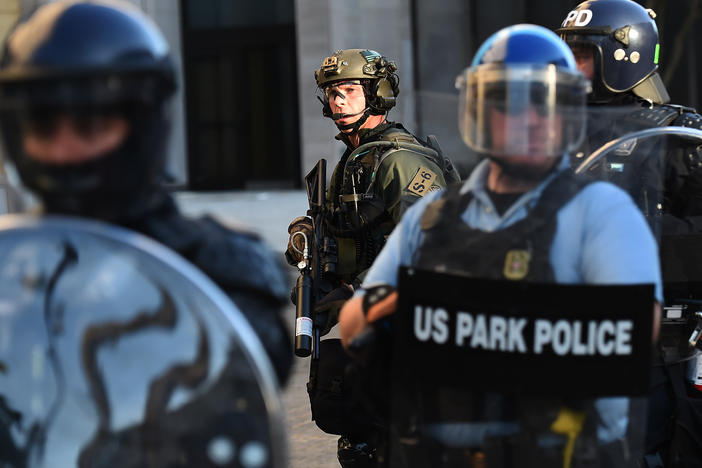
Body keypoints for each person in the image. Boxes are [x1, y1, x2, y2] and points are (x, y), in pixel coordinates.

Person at [339, 23, 662, 466]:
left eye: (538, 104)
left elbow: (638, 328)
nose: (523, 119)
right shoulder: (433, 217)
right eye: (503, 102)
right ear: (480, 111)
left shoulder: (601, 212)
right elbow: (356, 323)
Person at [0, 0, 292, 386]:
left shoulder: (217, 274)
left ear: (144, 125)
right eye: (43, 128)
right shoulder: (10, 267)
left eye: (90, 125)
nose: (63, 150)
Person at [285, 48, 458, 467]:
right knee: (360, 440)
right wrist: (307, 231)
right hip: (369, 330)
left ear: (377, 93)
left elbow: (434, 250)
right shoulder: (356, 158)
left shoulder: (401, 160)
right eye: (331, 92)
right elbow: (342, 228)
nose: (337, 100)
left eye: (348, 90)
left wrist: (362, 293)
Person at [557, 2, 702, 464]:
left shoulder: (676, 134)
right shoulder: (563, 137)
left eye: (580, 53)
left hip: (669, 342)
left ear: (623, 54)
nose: (567, 67)